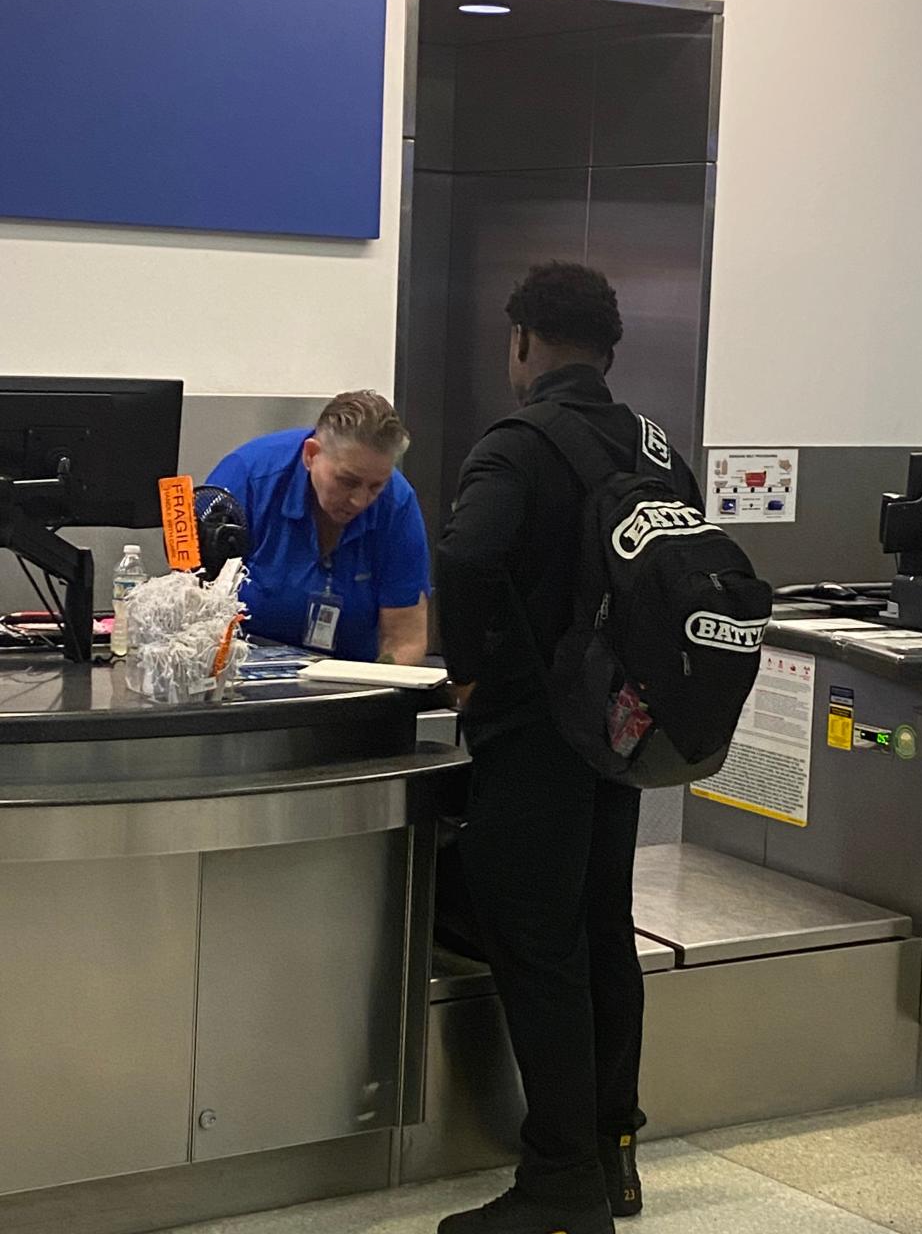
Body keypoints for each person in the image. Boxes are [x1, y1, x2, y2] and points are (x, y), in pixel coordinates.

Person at [435, 263, 703, 1234]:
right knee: (601, 934)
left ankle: (557, 1187)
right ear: (610, 347)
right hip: (618, 737)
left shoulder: (518, 442)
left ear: (524, 341)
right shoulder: (660, 449)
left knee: (537, 947)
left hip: (532, 733)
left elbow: (466, 555)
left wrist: (467, 671)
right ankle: (610, 1151)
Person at [207, 390, 429, 664]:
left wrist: (384, 698)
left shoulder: (397, 503)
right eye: (347, 481)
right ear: (311, 454)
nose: (360, 500)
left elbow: (404, 638)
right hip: (241, 673)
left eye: (376, 486)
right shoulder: (245, 479)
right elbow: (195, 612)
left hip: (351, 678)